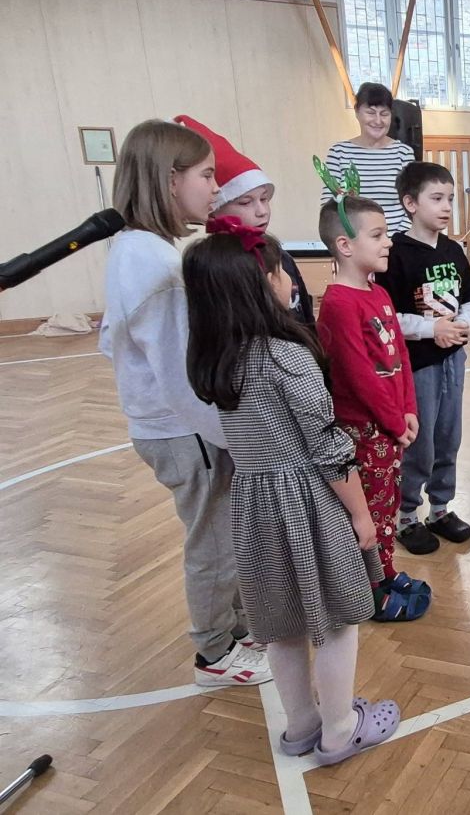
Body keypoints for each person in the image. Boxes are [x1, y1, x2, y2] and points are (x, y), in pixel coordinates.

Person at [182, 222, 399, 765]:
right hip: (308, 503)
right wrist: (362, 516)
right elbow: (328, 449)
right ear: (259, 285)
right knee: (336, 619)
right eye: (280, 271)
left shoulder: (216, 359)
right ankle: (340, 728)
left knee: (281, 625)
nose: (289, 280)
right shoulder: (286, 355)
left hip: (255, 505)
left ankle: (301, 725)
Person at [99, 119, 271, 687]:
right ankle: (214, 652)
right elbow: (180, 375)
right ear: (170, 180)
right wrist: (232, 435)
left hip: (179, 426)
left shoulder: (139, 248)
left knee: (226, 532)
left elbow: (112, 339)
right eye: (205, 175)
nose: (215, 188)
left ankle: (236, 628)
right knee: (214, 540)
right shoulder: (155, 264)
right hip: (183, 429)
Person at [316, 189, 427, 619]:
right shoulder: (339, 304)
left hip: (391, 424)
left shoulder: (378, 294)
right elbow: (359, 377)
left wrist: (409, 409)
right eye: (378, 235)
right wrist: (395, 422)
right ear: (345, 245)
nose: (389, 242)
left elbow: (400, 357)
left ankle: (384, 570)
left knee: (388, 504)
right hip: (365, 430)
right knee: (371, 510)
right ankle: (368, 589)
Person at [377, 161, 470, 555]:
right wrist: (432, 328)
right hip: (418, 365)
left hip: (454, 361)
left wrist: (463, 322)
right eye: (436, 198)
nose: (446, 206)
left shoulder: (453, 250)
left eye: (449, 198)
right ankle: (406, 515)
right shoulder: (396, 254)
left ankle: (440, 509)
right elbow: (390, 316)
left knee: (448, 437)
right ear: (410, 203)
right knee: (419, 442)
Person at [174, 115, 313, 325]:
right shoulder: (214, 266)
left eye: (264, 199)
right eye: (246, 202)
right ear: (215, 209)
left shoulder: (279, 256)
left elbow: (306, 315)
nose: (262, 211)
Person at [322, 82, 415, 234]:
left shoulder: (403, 153)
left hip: (398, 240)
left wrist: (397, 239)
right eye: (371, 113)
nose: (378, 121)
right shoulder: (339, 152)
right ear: (357, 112)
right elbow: (329, 206)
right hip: (353, 240)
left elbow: (413, 203)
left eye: (384, 114)